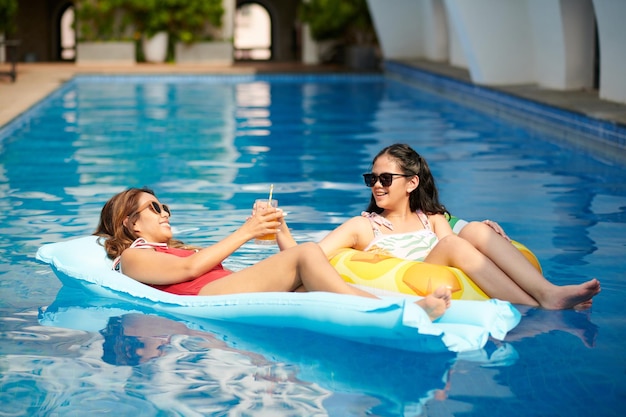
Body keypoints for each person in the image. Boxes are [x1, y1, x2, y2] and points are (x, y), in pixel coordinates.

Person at [277, 143, 600, 310]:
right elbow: (308, 260)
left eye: (385, 179)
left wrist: (485, 232)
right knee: (456, 241)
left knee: (473, 230)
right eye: (371, 179)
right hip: (411, 279)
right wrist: (279, 229)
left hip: (440, 270)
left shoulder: (431, 219)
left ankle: (547, 293)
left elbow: (462, 257)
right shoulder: (363, 227)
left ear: (411, 183)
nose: (376, 185)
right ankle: (541, 302)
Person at [93, 187, 451, 321]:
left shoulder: (169, 248)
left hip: (229, 289)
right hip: (206, 299)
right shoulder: (133, 255)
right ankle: (396, 313)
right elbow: (189, 270)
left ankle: (393, 308)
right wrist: (247, 231)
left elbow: (304, 264)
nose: (165, 212)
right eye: (154, 208)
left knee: (312, 280)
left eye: (164, 205)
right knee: (306, 256)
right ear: (132, 224)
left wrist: (275, 229)